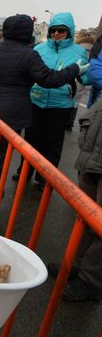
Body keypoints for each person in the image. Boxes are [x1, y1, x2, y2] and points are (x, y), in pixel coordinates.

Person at [0, 14, 88, 198]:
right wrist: (74, 69)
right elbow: (49, 79)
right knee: (0, 154)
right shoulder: (29, 55)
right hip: (12, 113)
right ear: (27, 33)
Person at [25, 12, 89, 189]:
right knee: (31, 139)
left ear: (70, 31)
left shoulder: (79, 52)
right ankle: (25, 170)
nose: (57, 33)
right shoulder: (39, 49)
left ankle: (44, 177)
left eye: (62, 30)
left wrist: (88, 75)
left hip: (60, 106)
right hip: (35, 101)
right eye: (53, 30)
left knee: (52, 144)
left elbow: (84, 79)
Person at [48, 94, 102, 302]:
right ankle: (76, 265)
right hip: (92, 158)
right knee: (85, 219)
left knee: (99, 227)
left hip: (95, 158)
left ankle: (91, 281)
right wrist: (86, 131)